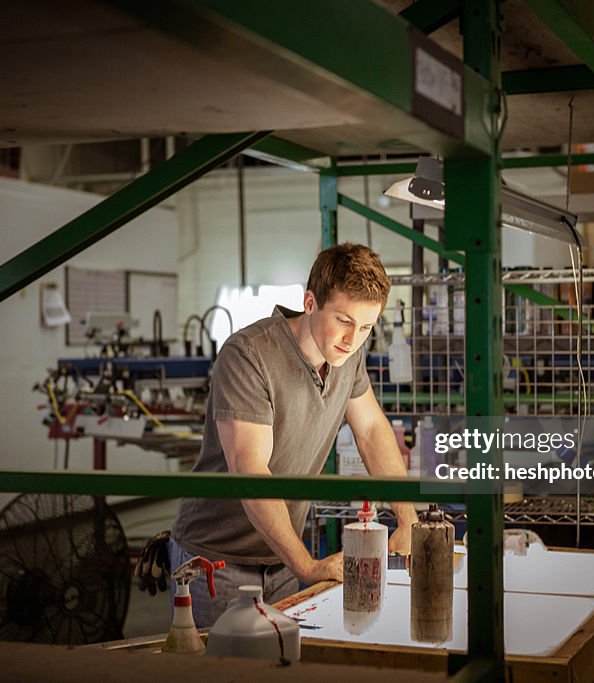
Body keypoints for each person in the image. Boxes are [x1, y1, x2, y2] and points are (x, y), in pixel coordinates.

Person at [168, 243, 419, 627]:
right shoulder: (249, 355)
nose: (353, 340)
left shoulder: (348, 358)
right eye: (344, 320)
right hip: (217, 560)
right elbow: (250, 468)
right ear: (310, 302)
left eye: (366, 327)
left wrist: (408, 519)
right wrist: (308, 565)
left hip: (281, 558)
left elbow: (370, 429)